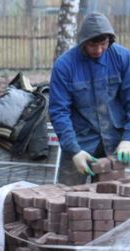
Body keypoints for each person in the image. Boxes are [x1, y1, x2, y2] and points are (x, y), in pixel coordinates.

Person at [49, 12, 130, 185]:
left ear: (110, 40)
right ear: (83, 42)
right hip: (80, 141)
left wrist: (127, 138)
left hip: (115, 141)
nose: (99, 50)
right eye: (93, 45)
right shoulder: (64, 66)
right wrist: (73, 150)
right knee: (66, 194)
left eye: (103, 44)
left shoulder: (123, 59)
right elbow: (59, 112)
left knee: (112, 196)